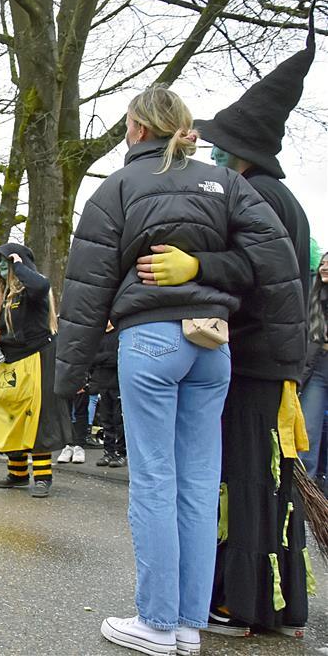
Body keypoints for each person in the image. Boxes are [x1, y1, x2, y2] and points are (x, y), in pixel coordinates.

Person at [56, 85, 303, 655]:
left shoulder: (117, 188)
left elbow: (87, 291)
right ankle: (189, 624)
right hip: (212, 345)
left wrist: (64, 382)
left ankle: (157, 621)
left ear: (138, 128)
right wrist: (290, 354)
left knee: (154, 482)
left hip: (150, 341)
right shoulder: (227, 185)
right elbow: (279, 263)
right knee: (196, 483)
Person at [137, 34, 316, 638]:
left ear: (240, 152)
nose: (210, 150)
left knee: (240, 477)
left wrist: (196, 269)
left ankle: (235, 605)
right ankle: (279, 607)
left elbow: (251, 270)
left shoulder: (254, 195)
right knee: (270, 480)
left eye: (219, 145)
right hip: (280, 362)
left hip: (252, 357)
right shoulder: (287, 199)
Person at [0, 244, 68, 500]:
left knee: (36, 420)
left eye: (6, 263)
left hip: (36, 358)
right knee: (7, 416)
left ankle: (43, 477)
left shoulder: (31, 289)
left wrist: (19, 265)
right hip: (6, 361)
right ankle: (18, 473)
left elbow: (41, 287)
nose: (2, 269)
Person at [305, 253, 328, 482]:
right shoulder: (313, 295)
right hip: (318, 365)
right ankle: (306, 506)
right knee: (308, 432)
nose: (324, 267)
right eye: (323, 262)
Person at [87, 326, 124, 467]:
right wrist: (106, 358)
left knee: (119, 420)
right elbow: (91, 358)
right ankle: (108, 452)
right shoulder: (98, 335)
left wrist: (101, 359)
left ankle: (121, 453)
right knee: (106, 420)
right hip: (103, 383)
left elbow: (118, 357)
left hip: (118, 383)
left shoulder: (120, 334)